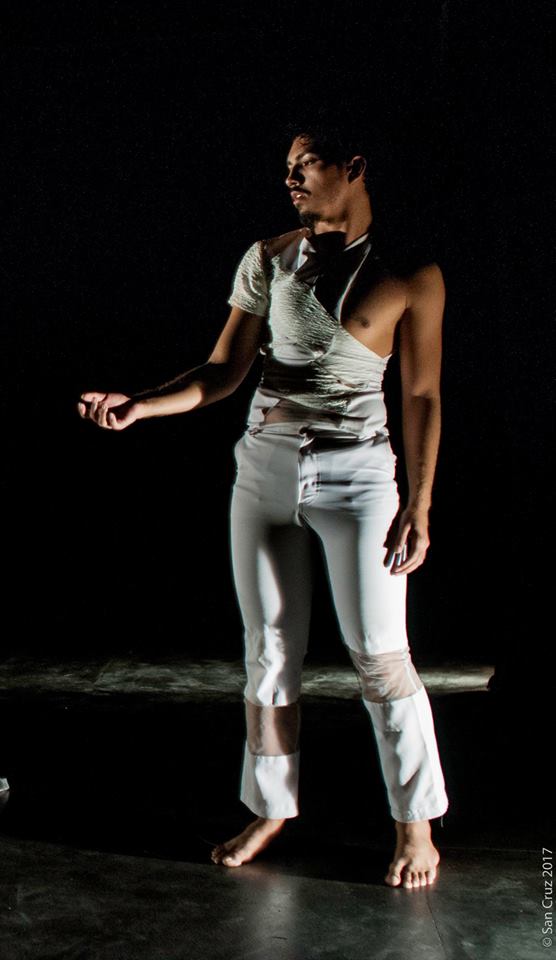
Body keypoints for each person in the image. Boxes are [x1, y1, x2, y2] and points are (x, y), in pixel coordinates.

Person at [77, 116, 449, 889]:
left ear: (353, 166)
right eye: (288, 166)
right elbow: (222, 372)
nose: (291, 178)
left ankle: (416, 826)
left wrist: (419, 504)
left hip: (359, 474)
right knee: (269, 650)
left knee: (381, 656)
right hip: (265, 467)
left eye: (306, 163)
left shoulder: (411, 273)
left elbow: (420, 394)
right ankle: (272, 807)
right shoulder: (269, 257)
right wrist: (140, 405)